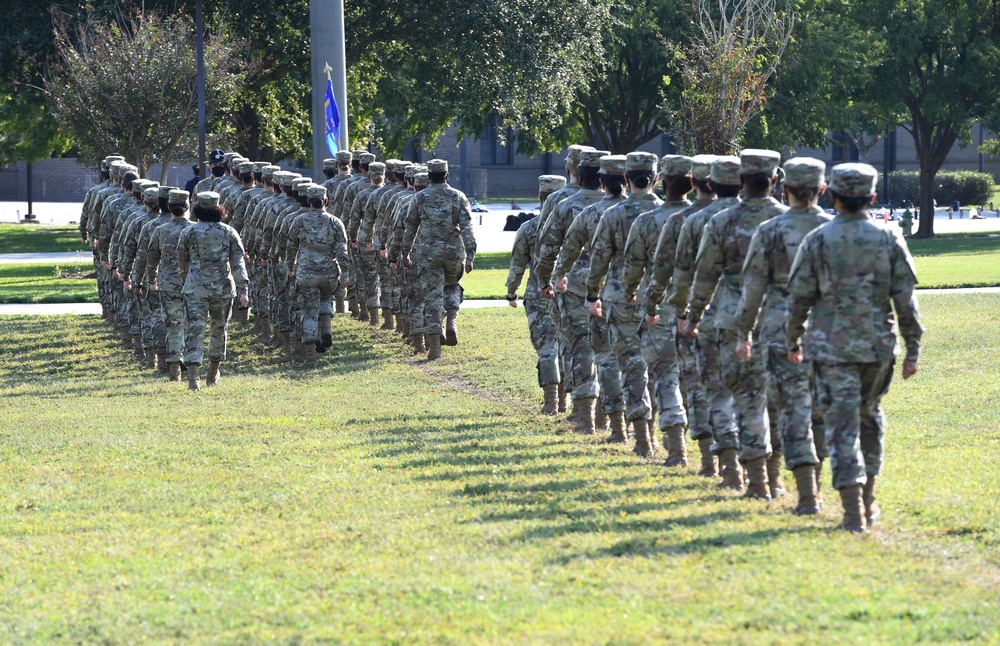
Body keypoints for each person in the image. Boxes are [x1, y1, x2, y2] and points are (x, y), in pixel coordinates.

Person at [787, 162, 922, 532]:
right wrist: (912, 350)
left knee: (840, 425)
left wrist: (791, 340)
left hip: (831, 349)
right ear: (873, 198)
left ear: (832, 196)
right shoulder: (890, 236)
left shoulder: (817, 239)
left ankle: (852, 513)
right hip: (878, 348)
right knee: (869, 418)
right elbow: (906, 301)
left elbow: (799, 298)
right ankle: (868, 502)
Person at [685, 149, 787, 500]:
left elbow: (703, 276)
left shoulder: (722, 222)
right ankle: (775, 478)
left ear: (741, 181)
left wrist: (693, 316)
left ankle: (750, 479)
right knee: (777, 401)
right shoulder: (787, 222)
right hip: (781, 322)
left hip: (730, 319)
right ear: (774, 181)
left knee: (744, 399)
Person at [735, 157, 832, 515]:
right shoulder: (833, 231)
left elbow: (753, 290)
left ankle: (782, 484)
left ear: (785, 188)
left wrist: (743, 333)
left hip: (777, 331)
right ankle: (813, 488)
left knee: (783, 410)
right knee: (819, 413)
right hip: (827, 333)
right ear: (822, 190)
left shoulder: (771, 231)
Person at [642, 154, 718, 476]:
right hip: (723, 312)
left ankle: (678, 447)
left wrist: (651, 306)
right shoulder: (732, 218)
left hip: (677, 310)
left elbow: (658, 272)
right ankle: (720, 460)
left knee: (667, 376)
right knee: (708, 384)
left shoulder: (669, 221)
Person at [588, 151, 664, 456]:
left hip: (620, 299)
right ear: (656, 178)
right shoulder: (666, 213)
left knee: (629, 365)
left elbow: (599, 259)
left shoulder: (613, 214)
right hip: (660, 300)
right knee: (658, 368)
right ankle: (657, 434)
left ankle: (631, 433)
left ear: (626, 179)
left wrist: (592, 294)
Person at [622, 154, 695, 465]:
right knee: (697, 379)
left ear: (662, 182)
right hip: (701, 310)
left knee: (664, 376)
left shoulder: (647, 221)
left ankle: (676, 446)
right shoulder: (704, 218)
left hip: (661, 308)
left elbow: (633, 267)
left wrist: (630, 294)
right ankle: (713, 457)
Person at [553, 155, 628, 438]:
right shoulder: (645, 212)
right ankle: (629, 425)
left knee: (587, 349)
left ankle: (587, 419)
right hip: (632, 293)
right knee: (631, 358)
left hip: (585, 289)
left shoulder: (590, 213)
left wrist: (557, 274)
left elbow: (561, 246)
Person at [535, 150, 610, 433]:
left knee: (580, 348)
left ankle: (584, 417)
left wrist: (545, 281)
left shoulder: (560, 203)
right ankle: (607, 415)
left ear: (572, 169)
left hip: (574, 288)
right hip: (612, 288)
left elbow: (546, 247)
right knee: (609, 351)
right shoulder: (619, 206)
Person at [398, 159, 477, 360]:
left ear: (429, 176)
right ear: (447, 175)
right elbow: (467, 228)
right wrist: (470, 256)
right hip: (453, 253)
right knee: (452, 286)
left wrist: (405, 253)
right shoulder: (457, 196)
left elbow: (410, 228)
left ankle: (434, 348)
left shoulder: (420, 197)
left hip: (428, 255)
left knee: (432, 299)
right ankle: (451, 321)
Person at [506, 175, 567, 414]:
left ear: (540, 198)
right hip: (569, 292)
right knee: (568, 346)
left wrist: (511, 292)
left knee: (546, 347)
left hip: (538, 295)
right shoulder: (575, 225)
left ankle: (551, 401)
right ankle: (564, 401)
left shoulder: (529, 228)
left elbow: (517, 264)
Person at [178, 191, 250, 390]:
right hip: (223, 289)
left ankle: (193, 377)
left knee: (194, 329)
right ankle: (212, 372)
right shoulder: (229, 232)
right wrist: (243, 289)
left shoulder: (189, 232)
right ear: (219, 209)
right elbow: (238, 263)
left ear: (198, 209)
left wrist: (188, 279)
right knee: (219, 329)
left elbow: (182, 261)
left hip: (196, 288)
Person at [286, 184, 352, 364]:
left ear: (308, 201)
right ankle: (326, 329)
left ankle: (310, 356)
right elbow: (342, 251)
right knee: (324, 299)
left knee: (308, 310)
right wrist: (345, 274)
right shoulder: (335, 222)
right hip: (329, 273)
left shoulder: (299, 220)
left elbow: (291, 247)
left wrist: (290, 268)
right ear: (326, 201)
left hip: (306, 272)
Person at [147, 190, 194, 381]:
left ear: (168, 207)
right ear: (188, 206)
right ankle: (191, 366)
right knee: (192, 325)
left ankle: (174, 367)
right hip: (192, 284)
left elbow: (151, 259)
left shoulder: (160, 230)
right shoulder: (194, 229)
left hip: (168, 284)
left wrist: (151, 280)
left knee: (174, 324)